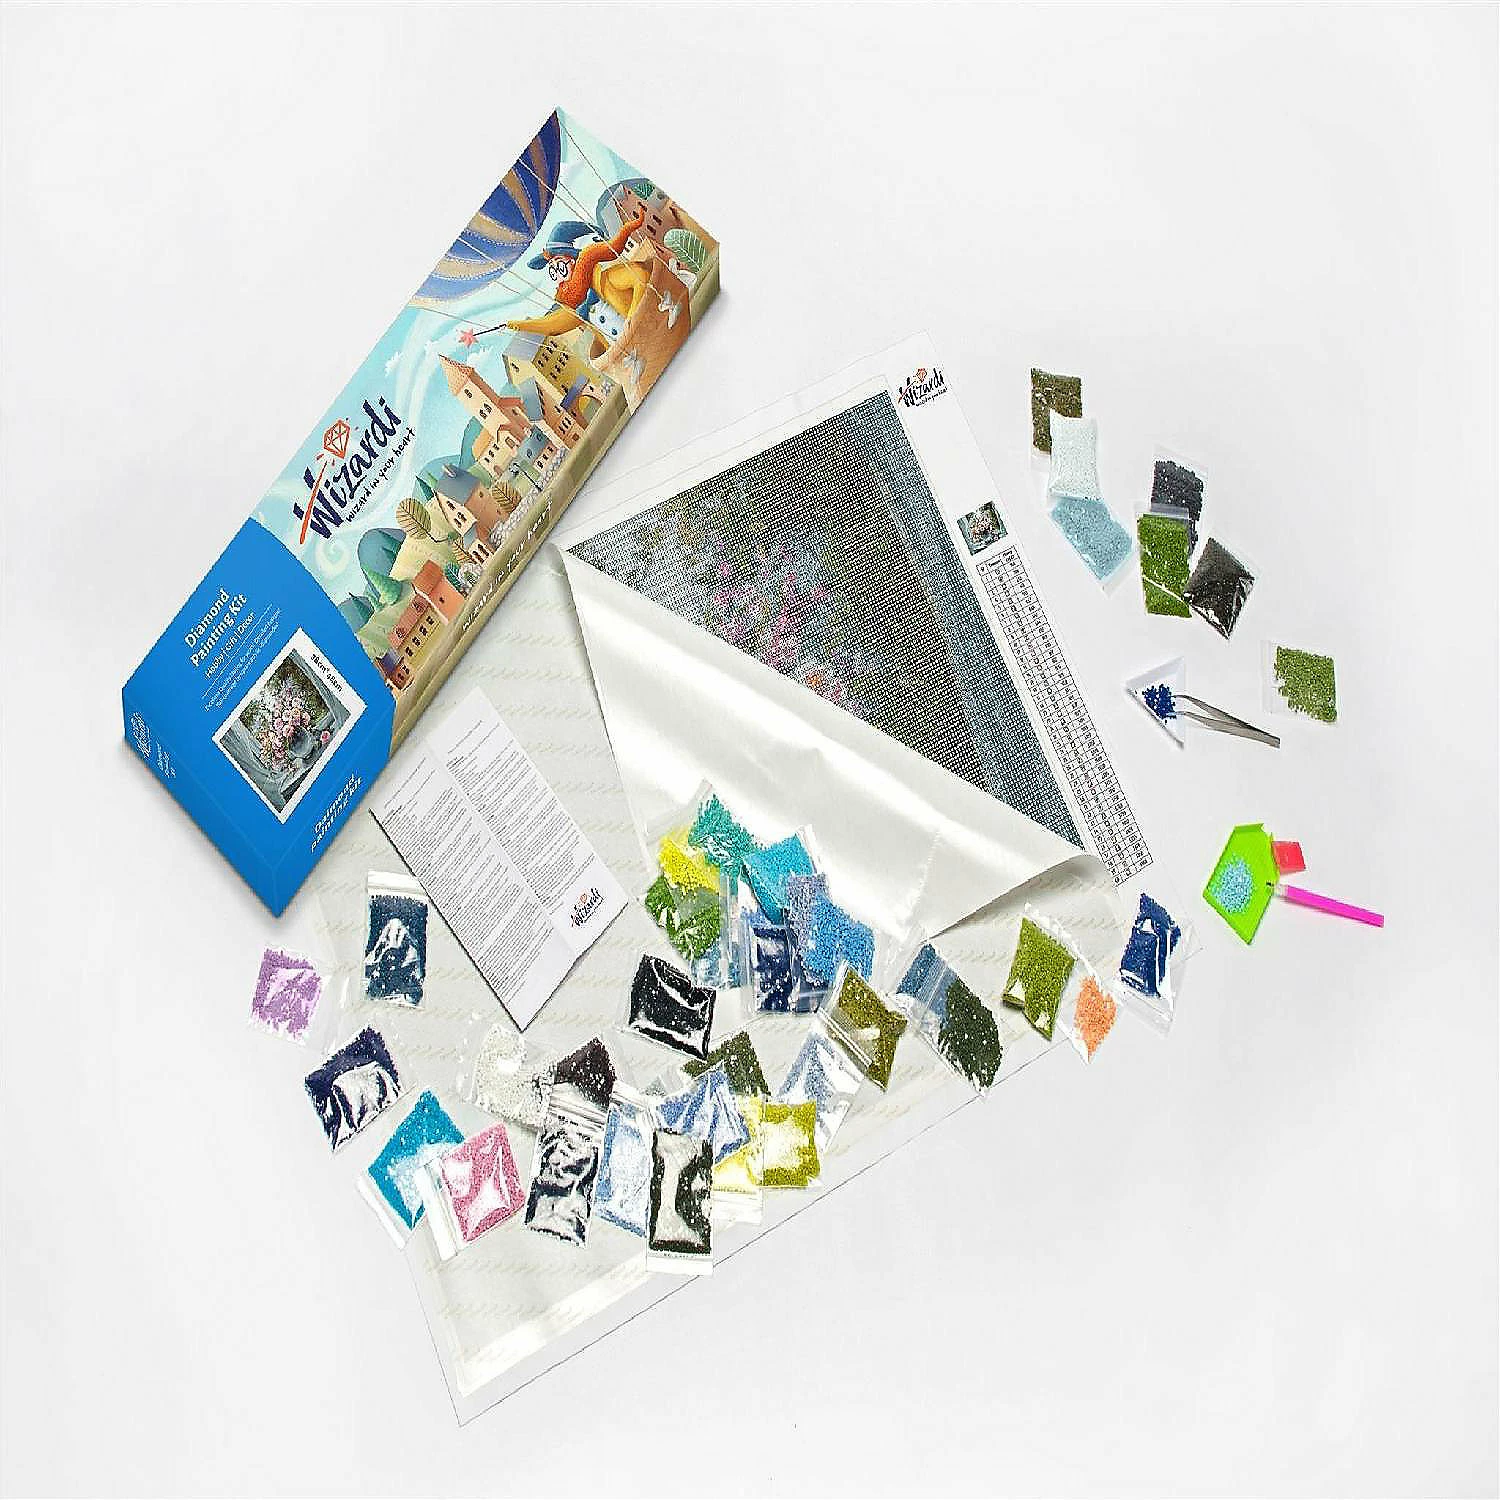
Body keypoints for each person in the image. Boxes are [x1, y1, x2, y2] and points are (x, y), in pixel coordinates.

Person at [506, 203, 650, 356]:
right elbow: (553, 325)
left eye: (560, 267)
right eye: (553, 272)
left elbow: (640, 274)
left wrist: (634, 316)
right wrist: (520, 325)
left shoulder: (604, 278)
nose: (559, 277)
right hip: (631, 354)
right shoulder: (576, 306)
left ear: (573, 261)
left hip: (649, 330)